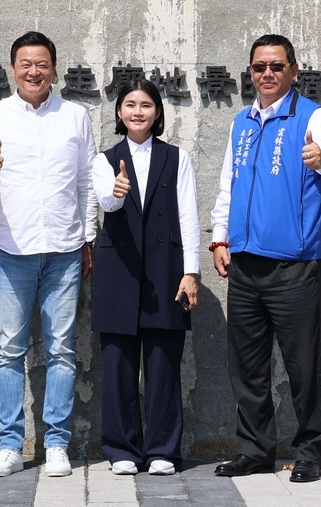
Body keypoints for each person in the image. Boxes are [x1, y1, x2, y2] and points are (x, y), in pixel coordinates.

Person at [211, 34, 321, 484]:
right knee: (247, 366)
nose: (267, 74)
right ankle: (255, 451)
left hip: (294, 265)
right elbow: (229, 184)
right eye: (259, 67)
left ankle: (309, 453)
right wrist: (220, 238)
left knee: (303, 365)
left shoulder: (311, 116)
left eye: (276, 66)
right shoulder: (242, 122)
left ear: (293, 70)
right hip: (244, 262)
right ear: (250, 72)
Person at [0, 31, 98, 479]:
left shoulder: (75, 116)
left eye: (42, 64)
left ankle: (56, 443)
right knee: (9, 351)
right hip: (12, 250)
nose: (34, 71)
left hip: (64, 250)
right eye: (25, 64)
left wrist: (88, 238)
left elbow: (87, 183)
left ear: (54, 69)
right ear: (12, 69)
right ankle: (9, 445)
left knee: (62, 350)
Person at [91, 80, 200, 477]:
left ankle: (162, 450)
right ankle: (121, 449)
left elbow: (188, 215)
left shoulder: (177, 157)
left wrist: (191, 272)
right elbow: (106, 203)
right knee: (117, 364)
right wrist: (117, 191)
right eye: (130, 105)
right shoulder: (104, 160)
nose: (138, 112)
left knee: (164, 363)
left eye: (146, 105)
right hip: (118, 267)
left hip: (166, 267)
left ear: (157, 113)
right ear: (119, 112)